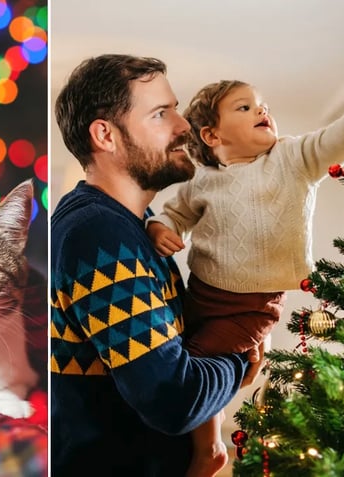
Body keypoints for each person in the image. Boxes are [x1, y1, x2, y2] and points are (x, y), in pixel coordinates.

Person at [146, 78, 344, 476]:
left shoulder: (291, 158)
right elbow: (173, 214)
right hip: (203, 293)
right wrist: (160, 229)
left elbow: (337, 136)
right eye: (245, 108)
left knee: (199, 363)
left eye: (262, 105)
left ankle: (210, 450)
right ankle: (246, 360)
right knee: (192, 348)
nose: (262, 111)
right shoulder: (200, 180)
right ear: (211, 134)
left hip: (254, 302)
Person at [50, 54, 263, 477]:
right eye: (161, 113)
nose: (184, 126)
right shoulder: (97, 233)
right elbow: (174, 400)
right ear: (105, 136)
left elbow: (175, 353)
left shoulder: (138, 226)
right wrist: (241, 361)